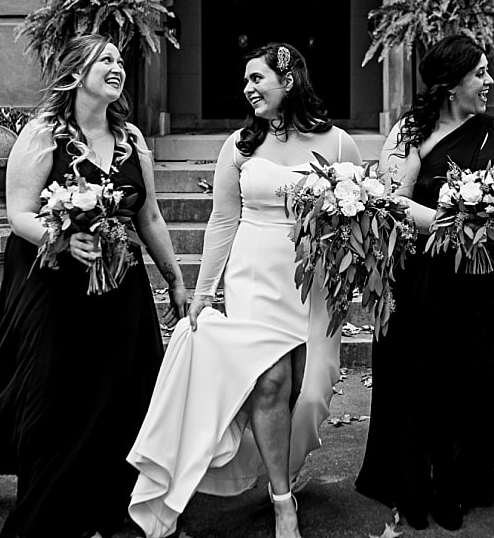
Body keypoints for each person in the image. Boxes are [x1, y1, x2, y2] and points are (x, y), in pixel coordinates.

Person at [0, 34, 188, 538]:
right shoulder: (45, 133)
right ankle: (51, 508)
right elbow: (19, 214)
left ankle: (116, 502)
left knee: (123, 392)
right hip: (52, 285)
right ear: (75, 73)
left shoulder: (130, 137)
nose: (117, 67)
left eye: (119, 60)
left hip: (118, 287)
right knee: (56, 394)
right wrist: (64, 242)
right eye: (104, 60)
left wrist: (174, 277)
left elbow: (148, 214)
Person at [125, 43, 361, 538]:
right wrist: (204, 290)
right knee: (270, 383)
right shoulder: (239, 145)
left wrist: (353, 274)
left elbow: (359, 217)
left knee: (311, 391)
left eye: (257, 78)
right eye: (246, 80)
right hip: (254, 274)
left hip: (312, 280)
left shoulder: (339, 145)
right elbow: (222, 219)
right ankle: (281, 500)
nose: (248, 88)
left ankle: (281, 463)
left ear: (289, 79)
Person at [355, 35, 494, 531]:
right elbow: (394, 200)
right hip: (434, 283)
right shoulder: (410, 132)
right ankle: (445, 483)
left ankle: (471, 467)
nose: (489, 81)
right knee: (438, 387)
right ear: (451, 84)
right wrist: (454, 218)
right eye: (481, 73)